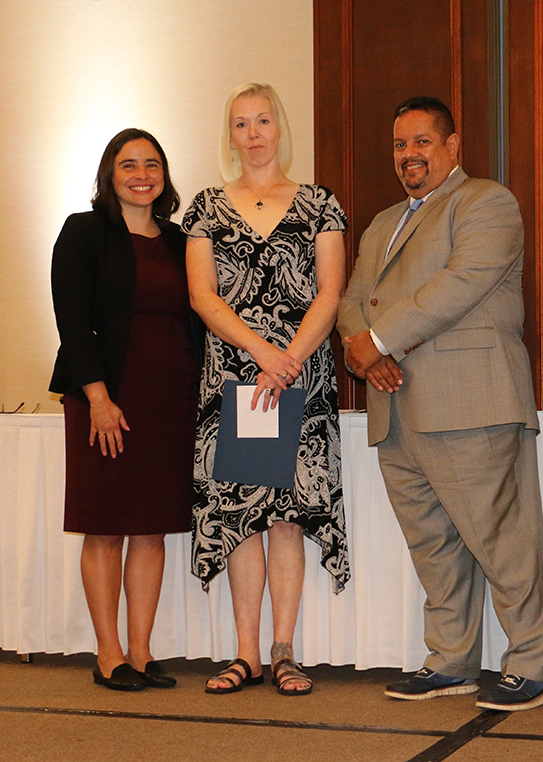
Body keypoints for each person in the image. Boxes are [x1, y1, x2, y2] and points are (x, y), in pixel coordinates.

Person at [337, 96, 543, 712]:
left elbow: (459, 284)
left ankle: (532, 665)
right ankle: (451, 660)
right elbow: (354, 299)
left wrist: (376, 342)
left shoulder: (486, 202)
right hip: (397, 410)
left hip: (472, 402)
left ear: (453, 146)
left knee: (503, 540)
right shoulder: (381, 223)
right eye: (401, 145)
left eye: (422, 142)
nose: (410, 154)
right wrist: (363, 352)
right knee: (433, 545)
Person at [184, 83, 349, 696]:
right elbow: (203, 296)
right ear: (229, 135)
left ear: (280, 127)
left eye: (262, 121)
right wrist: (261, 354)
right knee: (240, 518)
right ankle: (245, 654)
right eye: (240, 124)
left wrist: (289, 360)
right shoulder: (205, 207)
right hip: (234, 381)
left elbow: (330, 294)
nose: (252, 134)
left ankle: (284, 651)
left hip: (298, 382)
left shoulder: (319, 205)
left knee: (286, 520)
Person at [50, 128, 199, 691]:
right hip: (106, 398)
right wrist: (97, 397)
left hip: (171, 396)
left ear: (165, 175)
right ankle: (108, 653)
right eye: (129, 164)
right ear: (110, 175)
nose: (142, 174)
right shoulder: (86, 232)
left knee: (152, 528)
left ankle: (140, 651)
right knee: (107, 525)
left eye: (153, 164)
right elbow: (73, 318)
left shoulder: (182, 240)